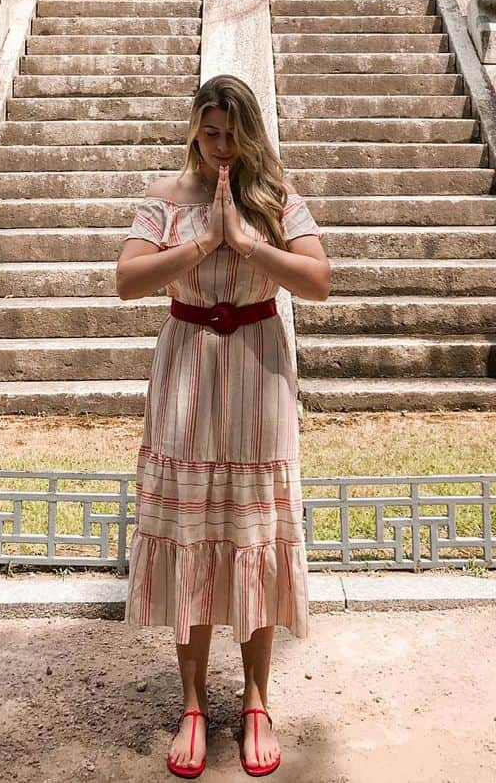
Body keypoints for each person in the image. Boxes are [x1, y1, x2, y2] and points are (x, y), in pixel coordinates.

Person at [117, 75, 330, 780]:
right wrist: (205, 241)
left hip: (259, 373)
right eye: (211, 135)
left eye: (233, 136)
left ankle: (259, 700)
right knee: (192, 535)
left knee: (253, 534)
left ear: (252, 133)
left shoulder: (277, 198)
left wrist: (247, 242)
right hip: (187, 371)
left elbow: (318, 281)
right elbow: (127, 281)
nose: (222, 150)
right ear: (194, 131)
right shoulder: (166, 199)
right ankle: (192, 703)